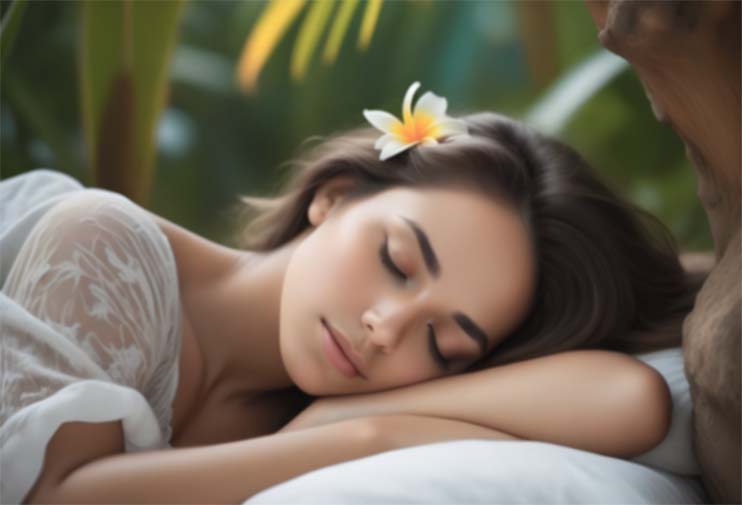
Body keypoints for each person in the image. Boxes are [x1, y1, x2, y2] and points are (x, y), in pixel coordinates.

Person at [0, 82, 703, 504]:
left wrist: (385, 409)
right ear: (334, 196)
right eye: (397, 261)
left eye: (445, 342)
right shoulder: (103, 248)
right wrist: (376, 435)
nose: (386, 328)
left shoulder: (308, 404)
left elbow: (631, 400)